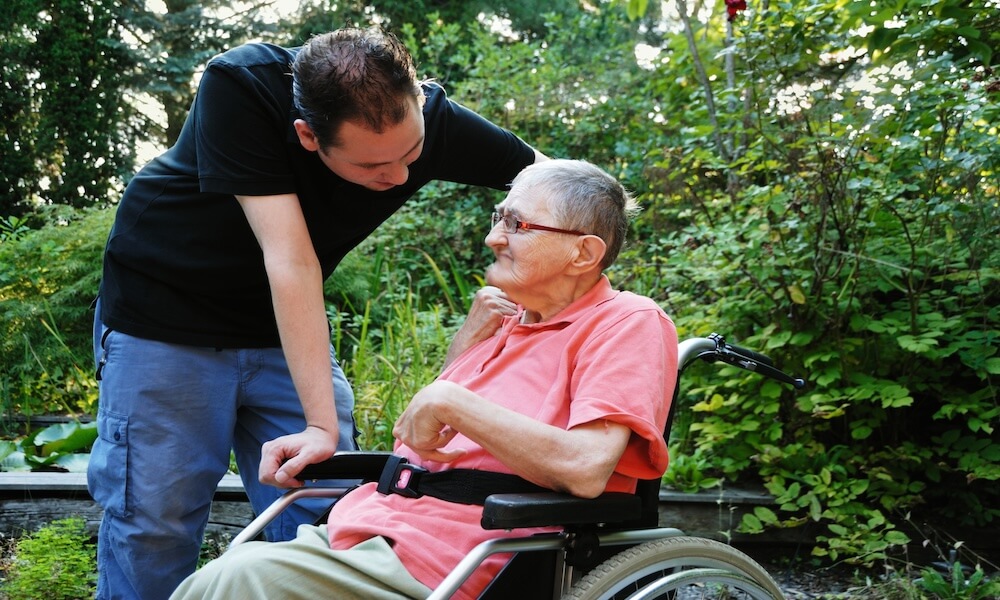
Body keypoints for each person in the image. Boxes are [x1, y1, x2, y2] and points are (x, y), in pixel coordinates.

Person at [89, 27, 546, 600]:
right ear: (308, 136)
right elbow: (290, 261)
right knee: (155, 525)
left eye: (412, 153)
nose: (400, 177)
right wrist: (321, 426)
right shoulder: (242, 87)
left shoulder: (433, 121)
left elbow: (559, 187)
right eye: (375, 167)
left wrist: (577, 293)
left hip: (285, 332)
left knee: (325, 515)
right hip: (163, 323)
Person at [169, 159, 679, 600]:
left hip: (461, 554)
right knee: (215, 582)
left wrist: (451, 401)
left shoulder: (628, 322)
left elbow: (588, 468)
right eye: (498, 217)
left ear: (583, 254)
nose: (493, 237)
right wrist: (468, 344)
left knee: (240, 580)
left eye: (518, 224)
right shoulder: (509, 320)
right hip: (374, 529)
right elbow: (424, 439)